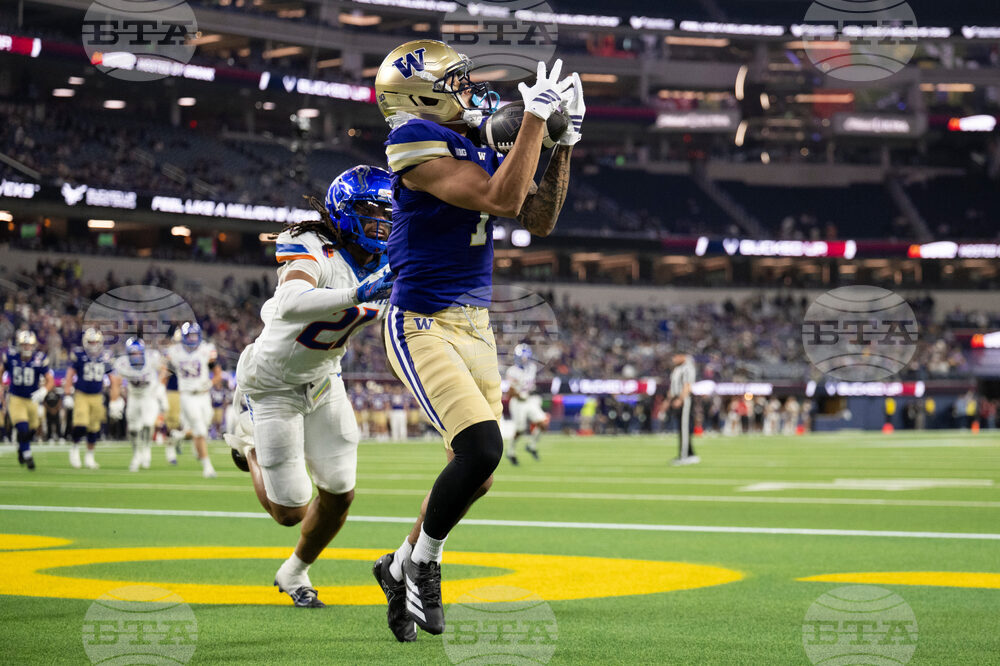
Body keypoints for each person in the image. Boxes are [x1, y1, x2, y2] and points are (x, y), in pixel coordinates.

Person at [371, 39, 582, 639]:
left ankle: (398, 564)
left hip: (475, 323)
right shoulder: (410, 139)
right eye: (455, 81)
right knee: (483, 448)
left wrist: (562, 145)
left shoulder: (468, 135)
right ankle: (425, 566)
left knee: (478, 474)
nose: (468, 89)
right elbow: (502, 197)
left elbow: (537, 218)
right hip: (421, 321)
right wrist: (536, 119)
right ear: (420, 94)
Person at [227, 165, 395, 608]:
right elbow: (288, 303)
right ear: (343, 212)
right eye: (369, 212)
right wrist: (357, 293)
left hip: (324, 378)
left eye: (387, 214)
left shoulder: (392, 258)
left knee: (340, 492)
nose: (380, 223)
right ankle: (247, 441)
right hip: (274, 382)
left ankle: (295, 570)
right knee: (290, 511)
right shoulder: (310, 245)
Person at [165, 322, 218, 478]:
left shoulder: (206, 349)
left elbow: (217, 372)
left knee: (205, 425)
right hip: (187, 395)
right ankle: (207, 466)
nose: (193, 339)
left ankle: (178, 436)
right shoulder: (174, 352)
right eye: (190, 335)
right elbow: (164, 370)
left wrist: (211, 382)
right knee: (199, 430)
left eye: (195, 335)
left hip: (203, 395)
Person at [1, 330, 54, 470]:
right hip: (16, 398)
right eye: (24, 345)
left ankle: (21, 448)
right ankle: (27, 455)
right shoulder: (11, 357)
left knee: (32, 429)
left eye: (29, 345)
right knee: (22, 428)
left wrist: (44, 390)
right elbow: (1, 371)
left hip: (32, 399)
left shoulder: (39, 359)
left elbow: (50, 380)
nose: (27, 348)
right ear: (19, 345)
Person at [111, 338, 164, 472]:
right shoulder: (122, 363)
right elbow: (117, 382)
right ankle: (136, 454)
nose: (136, 356)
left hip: (148, 395)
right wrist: (114, 401)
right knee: (134, 429)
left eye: (138, 353)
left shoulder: (152, 358)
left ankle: (146, 449)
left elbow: (164, 369)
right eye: (133, 354)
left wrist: (160, 386)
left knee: (147, 423)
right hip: (133, 396)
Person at [64, 328, 111, 469]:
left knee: (94, 428)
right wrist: (67, 394)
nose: (93, 345)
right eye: (90, 342)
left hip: (97, 395)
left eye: (95, 342)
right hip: (81, 394)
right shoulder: (79, 354)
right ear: (85, 342)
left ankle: (90, 456)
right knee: (81, 424)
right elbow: (69, 374)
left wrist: (115, 400)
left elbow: (113, 378)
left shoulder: (105, 356)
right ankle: (75, 449)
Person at [504, 343, 546, 465]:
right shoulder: (512, 371)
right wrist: (520, 395)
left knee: (543, 423)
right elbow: (510, 393)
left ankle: (531, 446)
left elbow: (530, 385)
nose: (525, 359)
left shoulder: (531, 368)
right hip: (518, 403)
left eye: (526, 357)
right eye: (523, 357)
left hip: (529, 400)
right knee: (520, 430)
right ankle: (510, 452)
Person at [668, 352, 698, 465]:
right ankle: (690, 454)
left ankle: (684, 456)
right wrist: (668, 400)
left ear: (682, 356)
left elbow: (687, 386)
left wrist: (680, 399)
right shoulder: (677, 369)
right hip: (677, 398)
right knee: (681, 428)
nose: (674, 359)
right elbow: (673, 386)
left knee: (684, 428)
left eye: (675, 356)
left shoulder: (687, 368)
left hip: (685, 400)